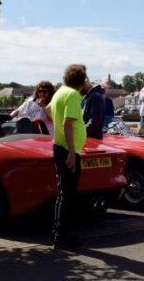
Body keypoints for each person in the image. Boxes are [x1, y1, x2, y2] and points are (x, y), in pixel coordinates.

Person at [50, 64, 90, 249]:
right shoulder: (73, 95)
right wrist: (72, 153)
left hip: (59, 146)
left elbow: (47, 110)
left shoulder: (60, 92)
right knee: (68, 194)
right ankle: (63, 236)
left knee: (63, 193)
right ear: (81, 81)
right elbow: (67, 125)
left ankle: (58, 233)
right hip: (67, 149)